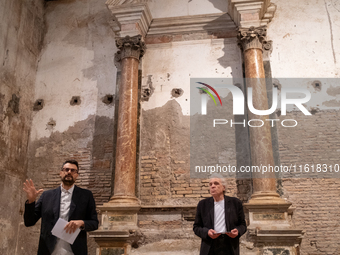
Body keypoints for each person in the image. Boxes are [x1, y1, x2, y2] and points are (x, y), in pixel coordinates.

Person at [23, 159, 99, 255]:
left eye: (73, 170)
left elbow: (94, 223)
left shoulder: (86, 195)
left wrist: (81, 223)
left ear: (77, 175)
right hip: (48, 250)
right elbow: (29, 222)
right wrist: (31, 201)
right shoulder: (47, 195)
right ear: (60, 173)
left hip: (75, 250)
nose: (69, 172)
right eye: (66, 169)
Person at [193, 174, 247, 255]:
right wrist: (207, 232)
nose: (212, 186)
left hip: (229, 244)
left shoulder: (235, 203)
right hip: (210, 245)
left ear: (223, 187)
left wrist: (238, 231)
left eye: (216, 183)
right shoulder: (203, 204)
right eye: (210, 184)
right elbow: (196, 227)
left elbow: (243, 225)